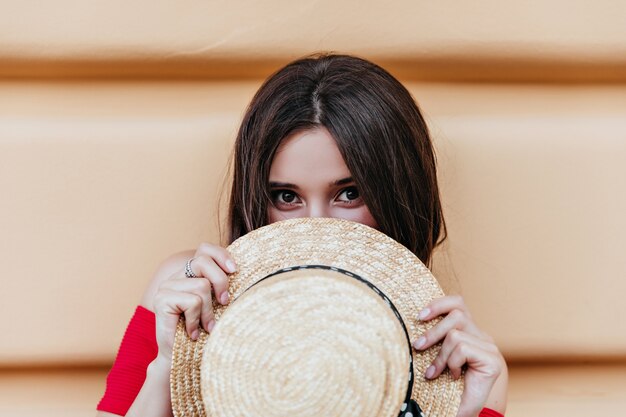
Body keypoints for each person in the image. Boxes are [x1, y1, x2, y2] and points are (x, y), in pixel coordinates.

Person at [96, 53, 508, 417]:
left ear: (399, 194)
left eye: (350, 193)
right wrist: (168, 364)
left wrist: (462, 412)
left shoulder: (465, 362)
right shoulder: (184, 288)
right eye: (286, 196)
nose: (315, 223)